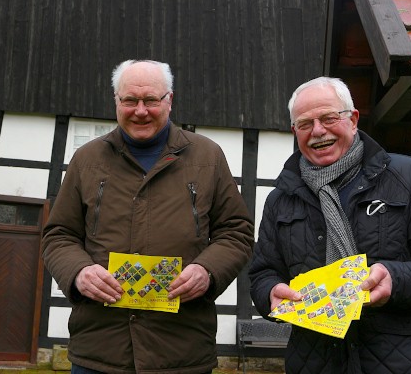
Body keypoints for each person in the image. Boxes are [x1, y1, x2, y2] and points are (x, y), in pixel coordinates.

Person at [42, 59, 254, 374]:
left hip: (181, 352)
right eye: (130, 100)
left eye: (151, 100)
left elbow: (236, 232)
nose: (140, 110)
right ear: (117, 101)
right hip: (100, 351)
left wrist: (207, 270)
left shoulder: (208, 157)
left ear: (169, 100)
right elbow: (59, 235)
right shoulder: (86, 160)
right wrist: (78, 272)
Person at [248, 77, 411, 374]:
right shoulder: (281, 199)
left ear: (353, 120)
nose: (317, 131)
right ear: (295, 132)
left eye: (328, 118)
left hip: (404, 364)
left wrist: (396, 279)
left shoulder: (409, 177)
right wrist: (270, 294)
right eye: (305, 124)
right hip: (314, 363)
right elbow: (263, 272)